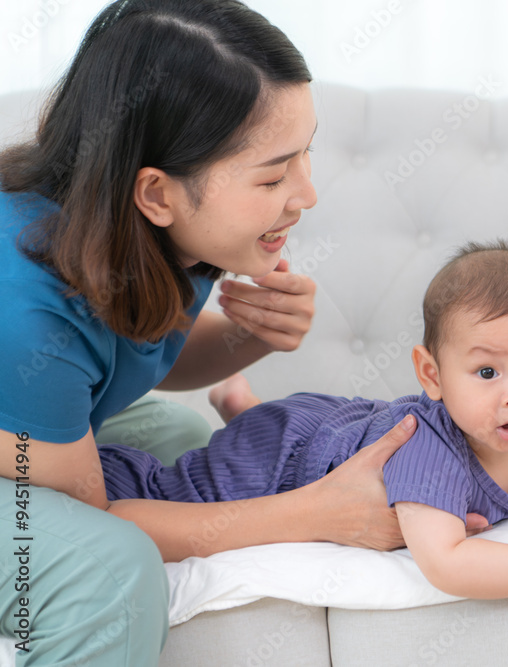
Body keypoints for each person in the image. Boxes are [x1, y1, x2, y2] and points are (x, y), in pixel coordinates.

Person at [0, 2, 455, 664]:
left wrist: (250, 337)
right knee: (110, 565)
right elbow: (99, 511)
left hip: (28, 430)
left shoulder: (153, 234)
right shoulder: (30, 307)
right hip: (20, 436)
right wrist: (315, 511)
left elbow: (130, 354)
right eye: (273, 175)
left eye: (304, 156)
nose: (307, 193)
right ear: (156, 193)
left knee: (186, 443)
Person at [99, 240, 508, 600]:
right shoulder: (433, 454)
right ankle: (231, 417)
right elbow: (448, 563)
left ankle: (238, 405)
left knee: (277, 428)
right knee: (161, 488)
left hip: (336, 427)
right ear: (432, 375)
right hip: (280, 456)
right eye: (486, 373)